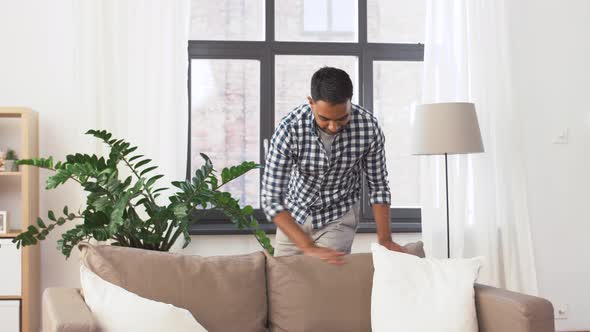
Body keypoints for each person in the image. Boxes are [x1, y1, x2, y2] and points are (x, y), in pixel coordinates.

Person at [261, 66, 406, 265]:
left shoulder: (368, 128)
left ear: (350, 102)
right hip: (295, 214)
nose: (333, 127)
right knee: (285, 279)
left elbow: (378, 186)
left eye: (342, 118)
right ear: (311, 103)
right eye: (324, 119)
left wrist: (385, 240)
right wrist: (308, 246)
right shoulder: (289, 129)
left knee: (326, 277)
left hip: (338, 215)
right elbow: (272, 199)